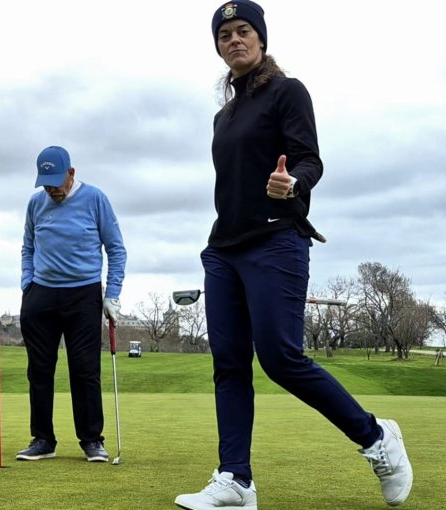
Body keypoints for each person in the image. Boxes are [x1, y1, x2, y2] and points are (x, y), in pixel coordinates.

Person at [174, 2, 413, 509]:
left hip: (276, 239)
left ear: (261, 39)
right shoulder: (223, 116)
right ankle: (235, 479)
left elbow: (309, 160)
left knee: (280, 357)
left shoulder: (288, 91)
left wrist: (294, 182)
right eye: (224, 35)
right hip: (223, 250)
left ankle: (376, 437)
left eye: (243, 31)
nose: (234, 40)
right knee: (229, 364)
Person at [16, 145, 126, 463]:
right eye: (45, 184)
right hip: (41, 294)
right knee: (39, 370)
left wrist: (112, 294)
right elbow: (28, 246)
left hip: (83, 294)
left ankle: (91, 440)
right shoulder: (36, 203)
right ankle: (43, 440)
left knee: (85, 370)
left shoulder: (95, 199)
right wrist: (27, 284)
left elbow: (116, 249)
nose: (51, 190)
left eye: (56, 182)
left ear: (71, 173)